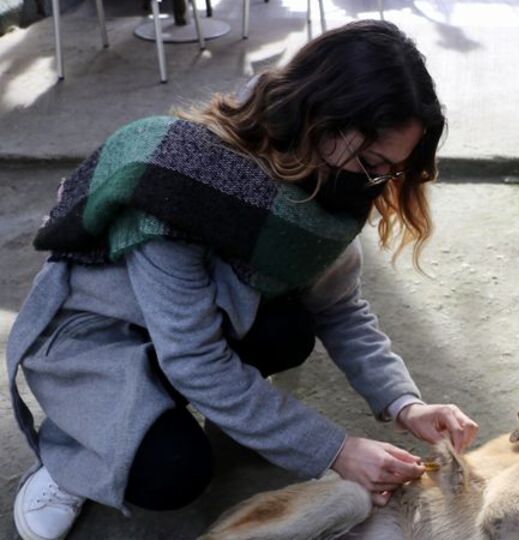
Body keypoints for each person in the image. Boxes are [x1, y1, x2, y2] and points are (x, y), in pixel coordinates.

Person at [8, 20, 478, 540]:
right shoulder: (181, 182)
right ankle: (74, 450)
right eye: (372, 163)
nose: (377, 183)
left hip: (184, 330)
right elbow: (195, 359)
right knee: (173, 472)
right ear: (319, 119)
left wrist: (405, 404)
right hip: (100, 336)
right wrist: (336, 449)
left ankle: (226, 414)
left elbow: (339, 307)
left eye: (391, 170)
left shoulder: (327, 181)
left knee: (289, 329)